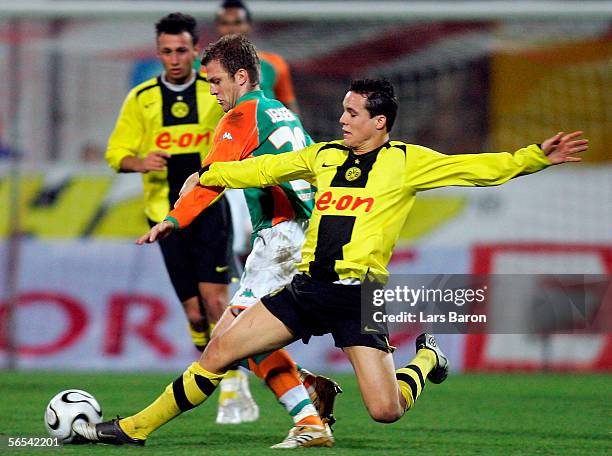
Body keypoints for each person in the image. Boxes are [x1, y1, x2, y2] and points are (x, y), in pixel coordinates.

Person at [74, 74, 588, 448]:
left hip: (356, 297)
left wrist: (536, 157)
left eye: (352, 113)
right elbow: (265, 168)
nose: (341, 120)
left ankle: (427, 358)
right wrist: (208, 176)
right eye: (342, 111)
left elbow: (478, 169)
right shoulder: (324, 156)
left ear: (379, 122)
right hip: (303, 290)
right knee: (217, 353)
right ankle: (133, 428)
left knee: (385, 411)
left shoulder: (408, 163)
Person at [104, 12, 260, 422]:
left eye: (182, 50)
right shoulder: (141, 99)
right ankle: (214, 370)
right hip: (163, 215)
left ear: (195, 50)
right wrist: (140, 162)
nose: (174, 58)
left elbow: (242, 126)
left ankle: (232, 384)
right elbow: (114, 155)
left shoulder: (215, 94)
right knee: (193, 313)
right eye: (166, 51)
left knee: (215, 300)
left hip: (209, 212)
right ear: (158, 53)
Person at [215, 0, 300, 114]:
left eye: (237, 23)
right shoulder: (202, 67)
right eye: (225, 23)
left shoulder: (274, 63)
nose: (231, 29)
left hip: (264, 130)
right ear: (217, 27)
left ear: (249, 26)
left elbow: (289, 107)